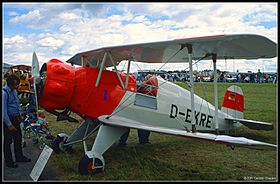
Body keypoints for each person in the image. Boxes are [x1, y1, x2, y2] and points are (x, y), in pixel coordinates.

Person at [3, 74, 31, 168]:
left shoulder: (14, 91)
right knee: (8, 141)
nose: (17, 87)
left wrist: (19, 115)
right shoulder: (4, 93)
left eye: (17, 85)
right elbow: (3, 111)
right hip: (8, 119)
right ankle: (9, 162)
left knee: (18, 138)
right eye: (15, 85)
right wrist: (9, 124)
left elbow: (16, 103)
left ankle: (19, 157)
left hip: (15, 118)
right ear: (9, 84)